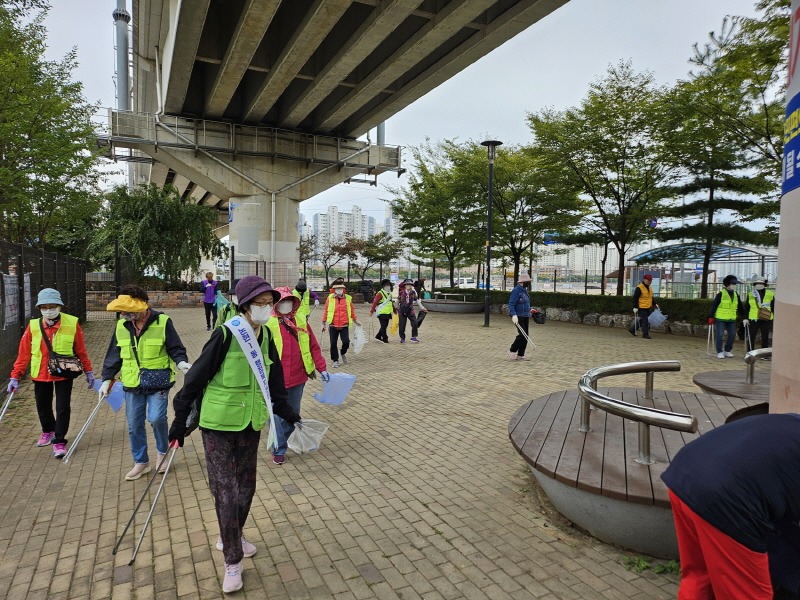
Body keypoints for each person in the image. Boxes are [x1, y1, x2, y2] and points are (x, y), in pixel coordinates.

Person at [168, 275, 300, 594]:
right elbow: (195, 378)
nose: (267, 309)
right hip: (218, 423)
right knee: (225, 491)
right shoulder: (226, 335)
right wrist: (179, 421)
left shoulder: (267, 335)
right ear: (244, 305)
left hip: (249, 423)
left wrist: (289, 415)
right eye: (260, 303)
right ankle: (232, 559)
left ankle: (232, 532)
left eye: (270, 304)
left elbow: (275, 381)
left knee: (246, 488)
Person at [661, 413, 800, 600]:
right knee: (747, 594)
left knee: (700, 576)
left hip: (685, 470)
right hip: (728, 498)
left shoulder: (791, 422)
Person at [100, 285, 191, 481]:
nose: (124, 314)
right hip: (133, 383)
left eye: (128, 310)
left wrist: (181, 362)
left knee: (157, 418)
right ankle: (141, 462)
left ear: (143, 305)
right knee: (134, 424)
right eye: (122, 310)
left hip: (158, 380)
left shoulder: (163, 322)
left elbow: (175, 347)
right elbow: (113, 356)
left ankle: (162, 453)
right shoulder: (121, 327)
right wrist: (107, 379)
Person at [7, 288, 94, 459]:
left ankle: (60, 440)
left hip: (63, 372)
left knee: (62, 407)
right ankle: (48, 430)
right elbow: (23, 353)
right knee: (43, 405)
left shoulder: (71, 323)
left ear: (59, 306)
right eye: (44, 307)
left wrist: (88, 371)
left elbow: (80, 350)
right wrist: (15, 376)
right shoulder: (33, 326)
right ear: (39, 308)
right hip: (40, 373)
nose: (49, 310)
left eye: (52, 306)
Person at [267, 287, 329, 465]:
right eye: (282, 302)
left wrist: (322, 368)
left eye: (289, 301)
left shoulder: (301, 320)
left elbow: (313, 346)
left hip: (297, 376)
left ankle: (280, 439)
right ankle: (278, 447)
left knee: (292, 413)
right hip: (275, 378)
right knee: (277, 415)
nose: (285, 305)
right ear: (276, 304)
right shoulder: (268, 323)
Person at [322, 278, 360, 367]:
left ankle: (342, 352)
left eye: (341, 288)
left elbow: (352, 310)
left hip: (344, 324)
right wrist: (323, 322)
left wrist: (355, 320)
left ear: (343, 289)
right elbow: (326, 310)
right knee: (333, 343)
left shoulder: (348, 298)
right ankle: (335, 360)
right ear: (334, 289)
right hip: (333, 324)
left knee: (346, 342)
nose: (339, 290)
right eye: (337, 289)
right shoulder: (330, 298)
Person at [708, 274, 747, 359]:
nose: (734, 286)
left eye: (735, 284)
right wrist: (711, 316)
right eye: (733, 284)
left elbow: (741, 307)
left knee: (732, 335)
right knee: (720, 335)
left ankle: (727, 350)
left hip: (731, 318)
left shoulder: (736, 294)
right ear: (727, 284)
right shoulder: (721, 294)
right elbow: (714, 305)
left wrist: (745, 317)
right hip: (720, 318)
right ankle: (719, 351)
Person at [742, 276, 775, 352]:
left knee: (765, 336)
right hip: (753, 318)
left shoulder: (770, 294)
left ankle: (764, 353)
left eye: (760, 283)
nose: (759, 285)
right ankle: (750, 352)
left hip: (766, 317)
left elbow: (773, 307)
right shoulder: (751, 294)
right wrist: (745, 318)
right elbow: (746, 307)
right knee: (751, 336)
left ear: (764, 284)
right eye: (757, 283)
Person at [508, 273, 532, 361]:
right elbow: (511, 304)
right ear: (523, 282)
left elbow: (526, 303)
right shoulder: (516, 291)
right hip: (518, 316)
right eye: (527, 282)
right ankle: (512, 350)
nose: (528, 283)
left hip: (526, 315)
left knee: (526, 335)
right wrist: (514, 315)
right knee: (522, 335)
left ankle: (521, 354)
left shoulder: (524, 290)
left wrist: (531, 310)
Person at [396, 278, 427, 343]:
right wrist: (396, 306)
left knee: (415, 323)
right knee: (402, 326)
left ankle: (414, 337)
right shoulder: (401, 292)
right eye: (407, 285)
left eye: (410, 285)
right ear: (405, 286)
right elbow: (398, 300)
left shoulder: (413, 292)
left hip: (410, 311)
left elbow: (417, 300)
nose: (409, 286)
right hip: (402, 311)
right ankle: (402, 338)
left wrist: (422, 308)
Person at [628, 274, 656, 339]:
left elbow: (651, 297)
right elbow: (635, 298)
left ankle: (632, 330)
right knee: (645, 321)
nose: (649, 281)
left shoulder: (650, 288)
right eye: (648, 280)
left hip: (648, 307)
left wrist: (654, 304)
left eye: (650, 280)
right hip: (641, 307)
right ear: (644, 280)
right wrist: (635, 307)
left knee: (642, 320)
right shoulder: (639, 287)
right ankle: (645, 334)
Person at [369, 279, 394, 343]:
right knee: (383, 326)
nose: (388, 287)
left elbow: (391, 302)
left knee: (385, 326)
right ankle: (385, 338)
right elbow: (375, 302)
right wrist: (371, 311)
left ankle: (378, 336)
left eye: (389, 285)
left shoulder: (390, 293)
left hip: (388, 312)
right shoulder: (380, 293)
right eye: (386, 285)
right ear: (383, 286)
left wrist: (394, 310)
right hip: (381, 312)